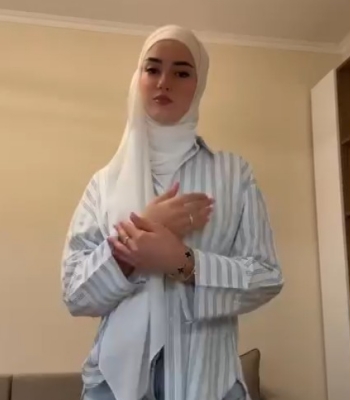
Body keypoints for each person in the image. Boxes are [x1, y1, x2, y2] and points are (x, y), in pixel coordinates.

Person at [61, 25, 284, 400]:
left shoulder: (233, 174)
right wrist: (137, 240)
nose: (164, 82)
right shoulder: (104, 184)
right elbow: (74, 293)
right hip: (114, 386)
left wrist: (183, 262)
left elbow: (266, 276)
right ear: (139, 77)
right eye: (152, 69)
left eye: (181, 72)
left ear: (199, 84)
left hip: (207, 382)